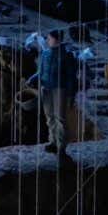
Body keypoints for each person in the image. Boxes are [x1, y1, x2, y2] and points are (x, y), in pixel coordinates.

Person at [28, 30, 78, 160]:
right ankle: (53, 142)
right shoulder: (45, 53)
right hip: (46, 88)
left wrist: (71, 94)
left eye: (49, 38)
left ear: (57, 40)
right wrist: (32, 79)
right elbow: (41, 71)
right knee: (49, 116)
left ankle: (61, 147)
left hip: (60, 89)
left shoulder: (67, 55)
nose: (47, 40)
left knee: (60, 118)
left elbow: (71, 77)